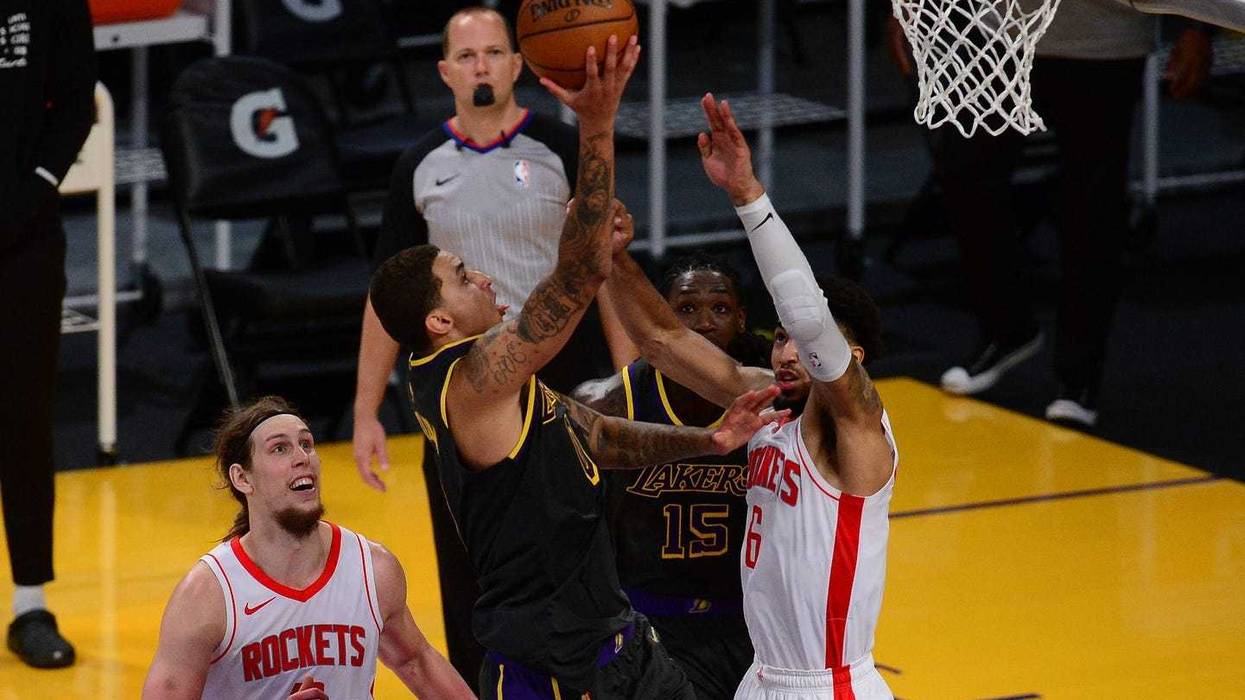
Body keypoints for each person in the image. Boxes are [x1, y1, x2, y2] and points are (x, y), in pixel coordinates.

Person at [369, 38, 787, 698]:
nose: (477, 274)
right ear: (437, 323)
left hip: (618, 648)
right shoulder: (472, 384)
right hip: (552, 670)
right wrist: (594, 124)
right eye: (457, 276)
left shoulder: (497, 384)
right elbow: (581, 270)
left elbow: (594, 434)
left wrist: (706, 441)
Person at [353, 8, 633, 681]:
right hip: (463, 390)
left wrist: (633, 375)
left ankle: (599, 678)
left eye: (493, 52)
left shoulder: (561, 148)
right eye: (466, 55)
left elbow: (606, 266)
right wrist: (364, 412)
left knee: (586, 548)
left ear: (518, 63)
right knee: (472, 565)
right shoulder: (418, 164)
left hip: (561, 372)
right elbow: (384, 294)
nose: (480, 65)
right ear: (446, 70)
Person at [601, 94, 897, 698]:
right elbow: (660, 339)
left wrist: (747, 197)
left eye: (805, 344)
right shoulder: (764, 402)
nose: (788, 351)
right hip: (759, 678)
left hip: (828, 686)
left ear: (854, 359)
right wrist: (612, 258)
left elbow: (810, 317)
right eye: (780, 338)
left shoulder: (862, 430)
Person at [886, 4, 1214, 427]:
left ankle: (1079, 377)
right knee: (964, 170)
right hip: (1003, 28)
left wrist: (1199, 26)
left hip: (1105, 40)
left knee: (1092, 207)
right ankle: (1007, 327)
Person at [142, 396, 474, 699]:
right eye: (279, 449)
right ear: (243, 478)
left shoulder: (373, 569)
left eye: (306, 444)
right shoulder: (208, 594)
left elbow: (416, 661)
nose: (302, 458)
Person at [572, 251, 769, 700]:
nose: (703, 323)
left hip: (751, 622)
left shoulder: (769, 402)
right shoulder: (607, 403)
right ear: (660, 320)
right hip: (649, 622)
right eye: (685, 309)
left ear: (741, 319)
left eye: (719, 308)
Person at [0, 0, 96, 669]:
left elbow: (76, 103)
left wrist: (27, 194)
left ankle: (29, 603)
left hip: (23, 236)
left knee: (24, 417)